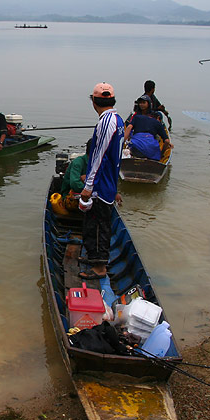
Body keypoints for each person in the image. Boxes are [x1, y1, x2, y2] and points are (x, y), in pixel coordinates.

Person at [79, 82, 125, 280]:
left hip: (100, 186)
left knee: (97, 227)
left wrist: (88, 186)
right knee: (97, 225)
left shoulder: (106, 122)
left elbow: (99, 156)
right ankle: (95, 259)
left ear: (94, 102)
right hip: (108, 183)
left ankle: (99, 268)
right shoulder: (118, 120)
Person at [124, 94, 173, 160]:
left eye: (143, 103)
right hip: (152, 148)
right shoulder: (156, 122)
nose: (141, 105)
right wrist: (162, 153)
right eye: (140, 103)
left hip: (137, 146)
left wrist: (122, 141)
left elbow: (129, 128)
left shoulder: (136, 117)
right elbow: (166, 141)